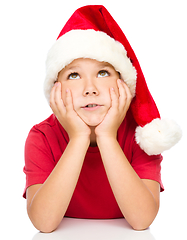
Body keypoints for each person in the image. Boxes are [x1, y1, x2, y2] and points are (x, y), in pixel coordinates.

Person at [23, 5, 182, 233]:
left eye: (103, 72)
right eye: (74, 75)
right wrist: (79, 137)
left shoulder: (142, 135)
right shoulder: (42, 136)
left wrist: (107, 136)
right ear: (55, 89)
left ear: (123, 83)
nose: (90, 89)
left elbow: (142, 220)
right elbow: (44, 223)